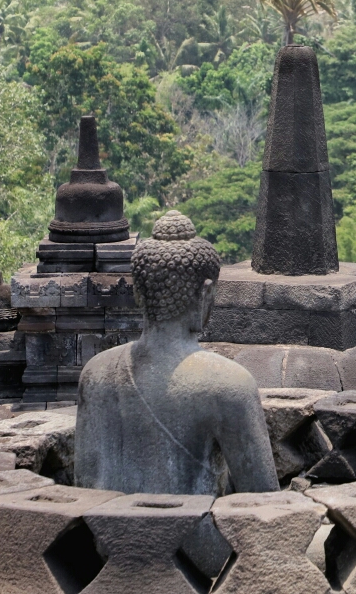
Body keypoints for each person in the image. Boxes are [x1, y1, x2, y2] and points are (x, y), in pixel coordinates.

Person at [76, 211, 279, 496]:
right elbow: (265, 503)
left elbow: (83, 486)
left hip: (108, 538)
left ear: (138, 293)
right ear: (206, 293)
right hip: (191, 538)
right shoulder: (229, 385)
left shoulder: (96, 373)